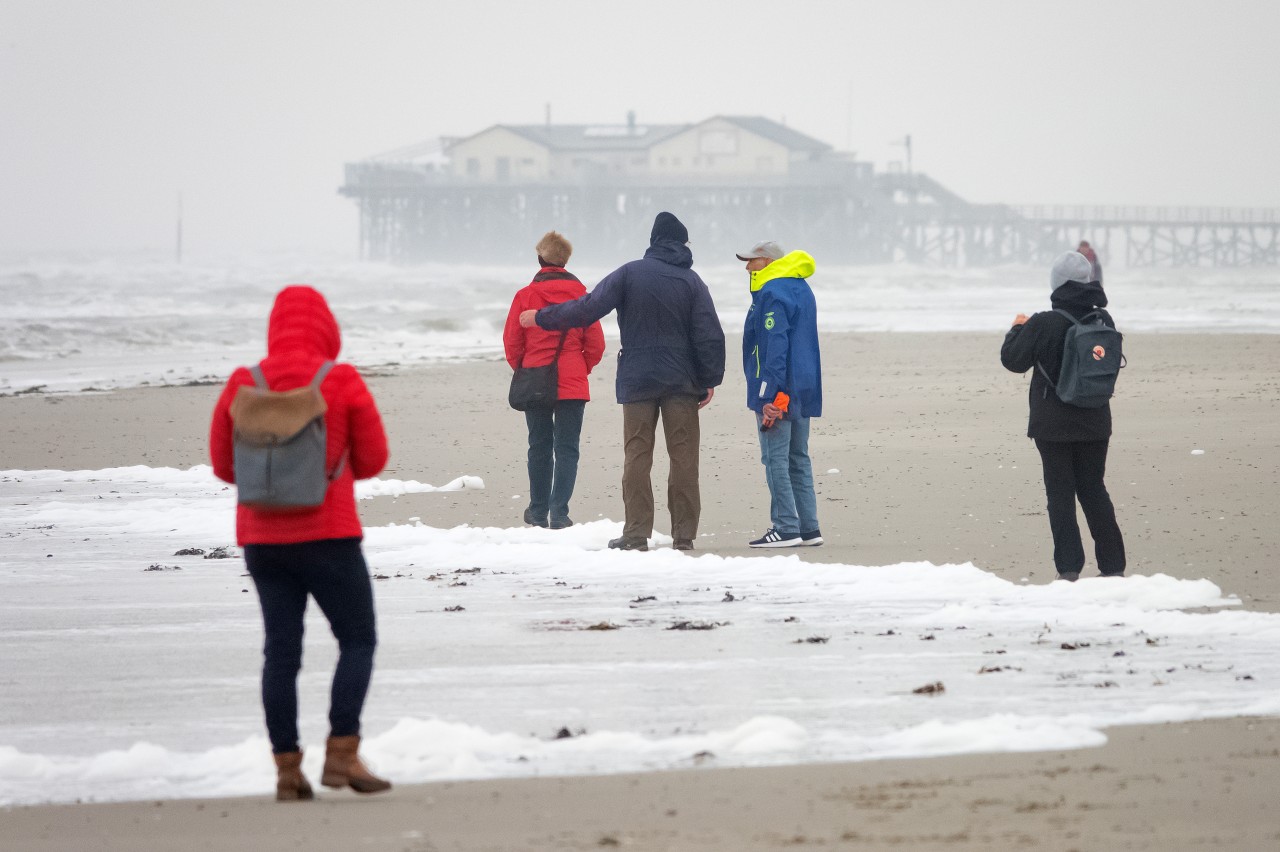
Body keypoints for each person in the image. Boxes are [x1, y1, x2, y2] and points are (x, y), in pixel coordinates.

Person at [210, 285, 392, 801]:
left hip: (263, 542)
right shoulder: (340, 379)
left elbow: (225, 467)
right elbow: (376, 459)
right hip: (330, 535)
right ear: (326, 328)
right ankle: (342, 753)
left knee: (281, 653)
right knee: (357, 640)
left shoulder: (245, 382)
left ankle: (287, 771)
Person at [519, 211, 725, 552]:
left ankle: (636, 534)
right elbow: (710, 336)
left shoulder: (630, 273)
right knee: (684, 458)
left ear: (654, 241)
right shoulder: (692, 282)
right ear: (680, 244)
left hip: (638, 379)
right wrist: (709, 379)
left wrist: (542, 317)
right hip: (681, 381)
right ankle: (683, 535)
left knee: (637, 455)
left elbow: (586, 309)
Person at [1000, 252, 1126, 582]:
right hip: (1096, 419)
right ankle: (1113, 567)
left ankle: (1069, 569)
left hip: (1052, 424)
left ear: (1056, 285)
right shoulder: (1104, 321)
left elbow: (1013, 361)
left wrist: (1016, 328)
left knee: (1060, 496)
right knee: (1094, 490)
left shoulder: (1043, 322)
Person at [503, 231, 606, 529]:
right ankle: (559, 512)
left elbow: (512, 342)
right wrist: (579, 368)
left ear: (540, 260)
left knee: (538, 445)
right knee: (567, 448)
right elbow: (596, 345)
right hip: (573, 381)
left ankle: (537, 511)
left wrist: (524, 369)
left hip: (535, 377)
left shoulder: (525, 295)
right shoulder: (582, 295)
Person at [737, 240, 824, 548]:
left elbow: (775, 348)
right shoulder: (801, 288)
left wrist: (769, 396)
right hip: (804, 386)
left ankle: (786, 526)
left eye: (752, 261)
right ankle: (809, 527)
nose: (747, 267)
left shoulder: (772, 293)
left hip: (779, 390)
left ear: (769, 261)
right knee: (798, 458)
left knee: (775, 459)